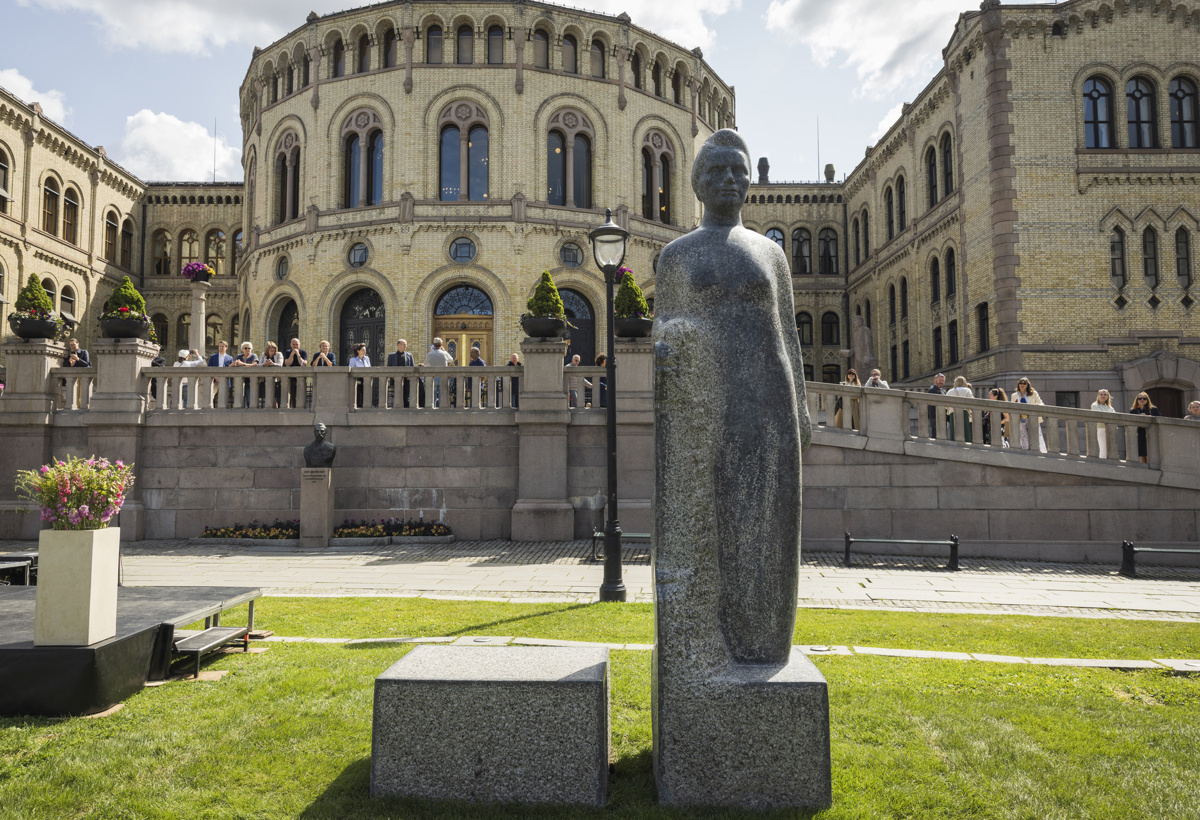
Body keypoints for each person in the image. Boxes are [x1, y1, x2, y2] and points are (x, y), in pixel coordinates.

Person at [1011, 377, 1047, 452]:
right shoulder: (1014, 395)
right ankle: (1026, 454)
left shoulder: (1033, 394)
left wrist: (1037, 405)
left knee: (1036, 438)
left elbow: (1042, 404)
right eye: (1020, 383)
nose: (1022, 385)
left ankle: (1039, 453)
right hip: (1021, 420)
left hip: (1032, 420)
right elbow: (1012, 408)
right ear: (1018, 385)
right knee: (1024, 440)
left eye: (1024, 383)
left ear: (1027, 385)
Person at [422, 337, 454, 407]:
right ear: (441, 345)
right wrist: (444, 350)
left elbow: (425, 364)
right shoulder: (444, 353)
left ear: (433, 345)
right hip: (443, 377)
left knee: (432, 394)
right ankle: (441, 407)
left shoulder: (430, 354)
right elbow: (451, 359)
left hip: (433, 377)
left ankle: (432, 407)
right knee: (442, 394)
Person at [1129, 391, 1161, 463]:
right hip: (1139, 434)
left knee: (1150, 454)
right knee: (1142, 454)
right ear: (1137, 400)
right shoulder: (1133, 410)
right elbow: (1130, 421)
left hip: (1151, 434)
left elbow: (1160, 419)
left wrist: (1149, 416)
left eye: (1144, 398)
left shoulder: (1153, 409)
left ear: (1147, 400)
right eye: (1140, 398)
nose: (1142, 400)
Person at [386, 339, 414, 408]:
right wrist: (393, 377)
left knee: (406, 397)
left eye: (406, 344)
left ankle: (406, 411)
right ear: (399, 345)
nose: (405, 346)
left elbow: (413, 367)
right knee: (397, 396)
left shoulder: (409, 355)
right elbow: (388, 368)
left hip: (406, 380)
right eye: (404, 344)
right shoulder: (391, 356)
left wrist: (410, 377)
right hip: (396, 380)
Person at [945, 375, 974, 442]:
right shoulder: (967, 390)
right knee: (965, 431)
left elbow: (946, 405)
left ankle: (954, 445)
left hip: (953, 413)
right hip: (964, 412)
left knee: (954, 431)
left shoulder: (950, 391)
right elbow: (972, 402)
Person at [1090, 388, 1117, 459]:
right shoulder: (1095, 405)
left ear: (1108, 396)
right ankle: (1103, 463)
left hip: (1111, 429)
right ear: (1098, 396)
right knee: (1103, 448)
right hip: (1101, 428)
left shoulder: (1109, 407)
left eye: (1105, 394)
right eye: (1101, 394)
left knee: (1111, 448)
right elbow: (1100, 415)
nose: (1103, 396)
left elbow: (1115, 416)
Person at [232, 342, 259, 407]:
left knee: (249, 399)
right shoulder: (239, 356)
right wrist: (234, 364)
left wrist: (243, 364)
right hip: (240, 381)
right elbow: (232, 365)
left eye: (249, 348)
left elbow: (254, 365)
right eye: (245, 348)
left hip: (250, 381)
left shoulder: (253, 356)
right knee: (240, 400)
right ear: (242, 349)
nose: (247, 349)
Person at [283, 337, 307, 408]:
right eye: (293, 344)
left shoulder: (303, 352)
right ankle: (293, 407)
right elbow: (287, 363)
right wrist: (292, 354)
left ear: (299, 345)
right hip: (291, 376)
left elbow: (303, 364)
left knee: (301, 393)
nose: (295, 346)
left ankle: (302, 407)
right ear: (290, 345)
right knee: (292, 394)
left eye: (296, 344)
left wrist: (298, 355)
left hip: (300, 376)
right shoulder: (288, 352)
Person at [260, 341, 284, 408]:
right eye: (270, 348)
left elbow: (280, 364)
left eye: (273, 348)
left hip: (276, 379)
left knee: (276, 396)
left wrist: (272, 364)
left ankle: (276, 408)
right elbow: (259, 365)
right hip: (266, 379)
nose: (272, 349)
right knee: (268, 395)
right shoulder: (264, 355)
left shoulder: (278, 354)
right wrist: (264, 364)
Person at [348, 342, 371, 406]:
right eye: (363, 350)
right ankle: (358, 405)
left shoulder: (367, 359)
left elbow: (369, 368)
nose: (364, 351)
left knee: (366, 393)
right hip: (357, 379)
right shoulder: (353, 360)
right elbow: (351, 370)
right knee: (358, 393)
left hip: (366, 378)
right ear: (358, 351)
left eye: (365, 350)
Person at [927, 373, 947, 439]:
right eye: (940, 380)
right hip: (934, 415)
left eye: (943, 381)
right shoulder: (932, 389)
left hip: (942, 415)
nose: (941, 382)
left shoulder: (943, 391)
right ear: (935, 381)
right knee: (935, 433)